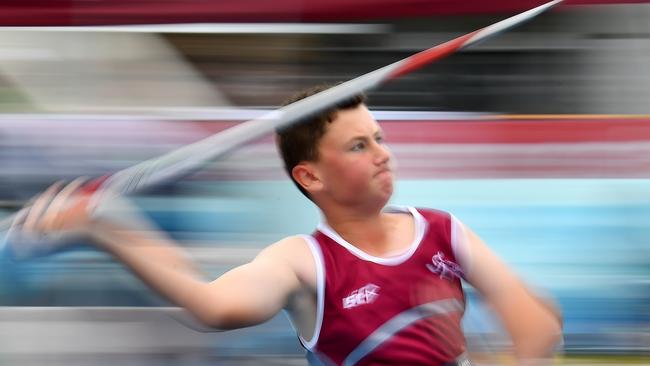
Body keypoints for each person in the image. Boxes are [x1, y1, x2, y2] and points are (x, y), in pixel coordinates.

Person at [7, 85, 562, 365]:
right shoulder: (303, 260)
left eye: (380, 138)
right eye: (358, 145)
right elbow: (214, 307)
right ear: (311, 176)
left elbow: (539, 325)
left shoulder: (443, 232)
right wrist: (105, 229)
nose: (381, 154)